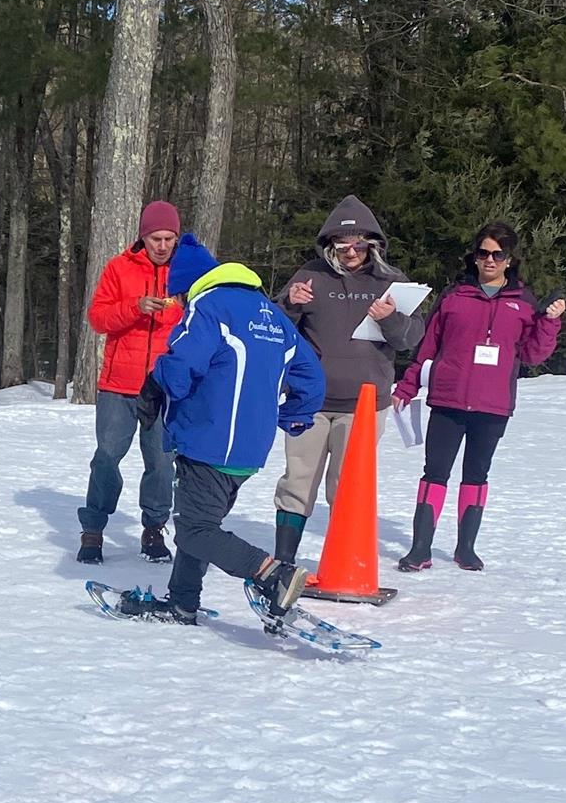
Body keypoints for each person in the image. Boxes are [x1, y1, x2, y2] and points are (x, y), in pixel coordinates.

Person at [122, 235, 325, 628]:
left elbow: (181, 364)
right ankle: (183, 602)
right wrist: (292, 416)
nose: (179, 304)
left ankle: (272, 573)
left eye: (178, 296)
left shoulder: (208, 306)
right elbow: (312, 378)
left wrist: (155, 388)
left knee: (195, 531)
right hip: (250, 449)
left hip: (209, 439)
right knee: (198, 522)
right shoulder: (272, 315)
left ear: (188, 286)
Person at [392, 222, 565, 572]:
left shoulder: (524, 303)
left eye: (498, 255)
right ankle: (420, 549)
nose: (490, 260)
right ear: (474, 256)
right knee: (434, 472)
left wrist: (549, 322)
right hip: (448, 400)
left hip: (492, 405)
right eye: (483, 253)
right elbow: (428, 348)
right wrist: (408, 386)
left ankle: (466, 549)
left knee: (476, 474)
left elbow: (533, 355)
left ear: (509, 259)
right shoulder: (454, 297)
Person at [273, 196, 424, 564]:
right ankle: (283, 561)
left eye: (358, 244)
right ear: (330, 245)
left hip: (364, 405)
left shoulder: (390, 281)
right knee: (297, 482)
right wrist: (290, 303)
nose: (351, 252)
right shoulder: (310, 275)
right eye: (342, 245)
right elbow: (274, 330)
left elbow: (410, 338)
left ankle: (341, 562)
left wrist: (390, 319)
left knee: (346, 487)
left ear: (372, 244)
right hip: (309, 401)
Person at [77, 200, 184, 565]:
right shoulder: (119, 268)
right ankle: (93, 529)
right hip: (119, 384)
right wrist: (134, 307)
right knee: (107, 457)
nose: (163, 246)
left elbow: (200, 320)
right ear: (143, 237)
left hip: (164, 386)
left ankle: (154, 528)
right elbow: (98, 318)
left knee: (162, 463)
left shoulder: (186, 272)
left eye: (169, 238)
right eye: (156, 238)